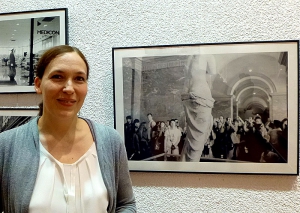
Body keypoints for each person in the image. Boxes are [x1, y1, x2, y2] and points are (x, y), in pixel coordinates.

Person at [0, 45, 136, 212]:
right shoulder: (6, 146)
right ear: (38, 84)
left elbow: (126, 204)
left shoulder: (110, 141)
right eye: (58, 76)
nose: (69, 88)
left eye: (79, 79)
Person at [180, 54, 217, 162]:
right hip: (200, 94)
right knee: (197, 139)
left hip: (188, 95)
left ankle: (186, 166)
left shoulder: (190, 56)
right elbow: (211, 77)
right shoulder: (207, 55)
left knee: (192, 138)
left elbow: (187, 76)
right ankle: (191, 167)